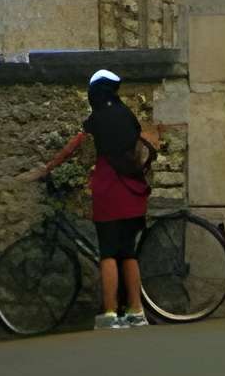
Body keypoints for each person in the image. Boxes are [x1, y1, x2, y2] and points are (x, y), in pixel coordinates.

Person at [22, 68, 162, 330]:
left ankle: (110, 314)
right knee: (129, 253)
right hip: (133, 190)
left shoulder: (96, 119)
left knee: (108, 252)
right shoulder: (127, 115)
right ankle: (136, 312)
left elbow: (73, 147)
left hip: (109, 190)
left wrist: (45, 169)